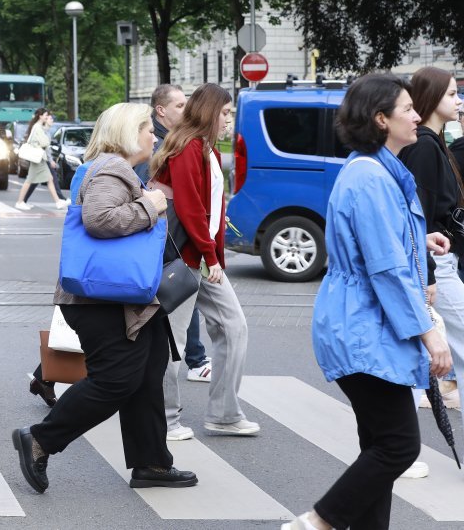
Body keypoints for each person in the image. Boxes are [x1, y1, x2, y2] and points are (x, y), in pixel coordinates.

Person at [282, 73, 453, 530]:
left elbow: (383, 245)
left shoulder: (376, 170)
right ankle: (316, 522)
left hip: (364, 325)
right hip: (365, 329)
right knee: (398, 447)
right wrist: (430, 333)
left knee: (379, 445)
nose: (418, 116)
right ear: (381, 119)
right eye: (407, 110)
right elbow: (387, 269)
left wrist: (421, 235)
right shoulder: (370, 178)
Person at [12, 102, 197, 493]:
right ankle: (41, 440)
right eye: (147, 127)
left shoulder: (111, 167)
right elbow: (100, 220)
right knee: (116, 380)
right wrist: (151, 204)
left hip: (120, 298)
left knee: (148, 373)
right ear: (129, 133)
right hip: (102, 302)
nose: (153, 134)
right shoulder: (112, 168)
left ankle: (152, 464)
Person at [150, 84, 259, 438]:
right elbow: (190, 208)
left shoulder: (206, 149)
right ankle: (163, 420)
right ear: (211, 111)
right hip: (184, 259)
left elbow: (210, 211)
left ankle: (224, 414)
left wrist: (214, 258)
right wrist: (211, 257)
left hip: (201, 258)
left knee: (234, 327)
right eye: (225, 113)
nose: (229, 120)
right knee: (173, 342)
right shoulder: (188, 147)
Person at [398, 66, 464, 421]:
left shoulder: (434, 143)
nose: (458, 100)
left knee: (421, 348)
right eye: (452, 94)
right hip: (438, 262)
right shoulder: (424, 146)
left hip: (440, 261)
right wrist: (431, 274)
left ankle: (395, 445)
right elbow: (418, 216)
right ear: (433, 98)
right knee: (422, 348)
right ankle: (395, 446)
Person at [15, 108, 68, 211]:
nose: (47, 117)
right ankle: (20, 202)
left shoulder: (39, 127)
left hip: (40, 158)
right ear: (40, 116)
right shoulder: (37, 127)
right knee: (30, 180)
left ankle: (58, 202)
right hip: (37, 158)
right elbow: (45, 143)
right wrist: (46, 140)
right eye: (45, 115)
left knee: (49, 179)